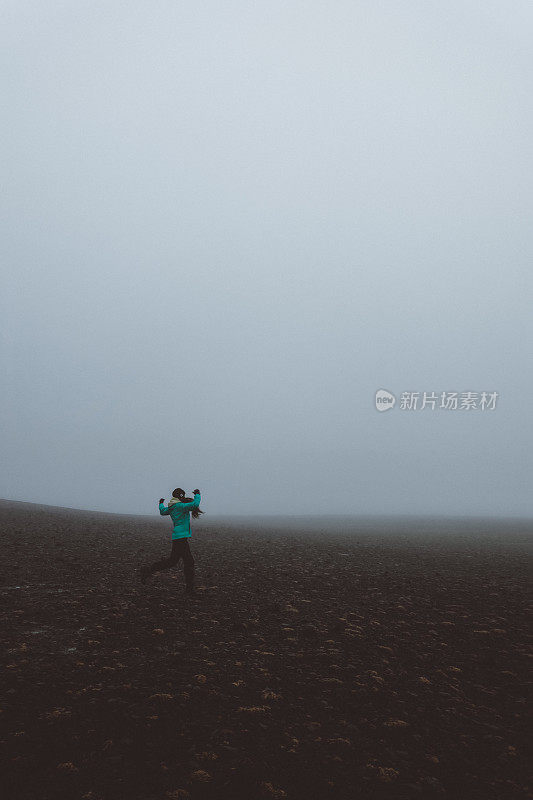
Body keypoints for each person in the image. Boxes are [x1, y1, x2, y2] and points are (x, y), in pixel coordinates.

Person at [139, 488, 202, 595]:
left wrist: (161, 504)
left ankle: (149, 570)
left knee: (172, 561)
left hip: (177, 537)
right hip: (181, 538)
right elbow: (194, 505)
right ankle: (189, 590)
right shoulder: (180, 506)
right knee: (189, 562)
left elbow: (163, 512)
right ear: (180, 495)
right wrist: (197, 495)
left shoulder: (172, 507)